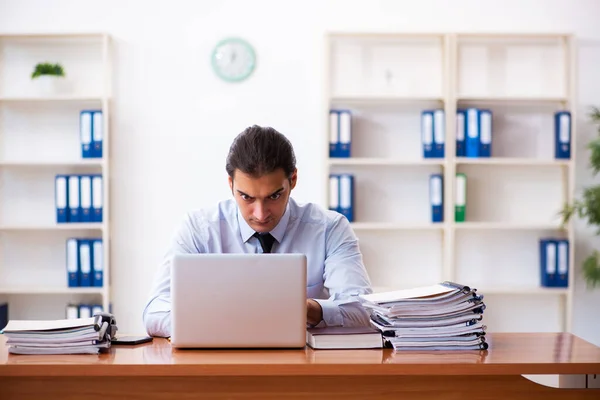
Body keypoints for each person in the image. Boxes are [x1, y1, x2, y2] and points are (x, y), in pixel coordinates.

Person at [143, 125, 373, 337]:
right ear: (230, 184)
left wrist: (308, 309)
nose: (261, 214)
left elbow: (363, 311)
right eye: (247, 197)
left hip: (301, 369)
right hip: (215, 365)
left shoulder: (329, 228)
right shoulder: (199, 229)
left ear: (293, 180)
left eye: (274, 196)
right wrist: (214, 319)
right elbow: (155, 311)